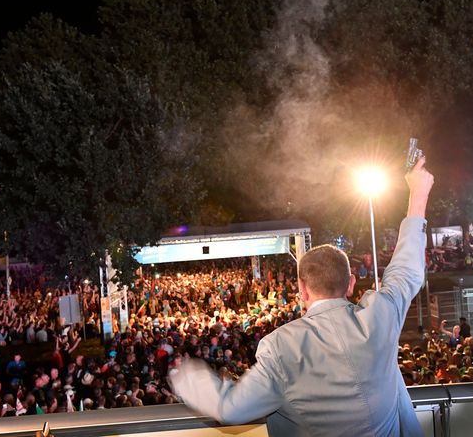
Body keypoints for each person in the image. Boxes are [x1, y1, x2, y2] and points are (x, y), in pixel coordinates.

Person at [171, 156, 434, 437]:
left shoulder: (281, 347)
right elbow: (407, 269)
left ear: (302, 288)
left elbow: (231, 409)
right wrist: (418, 193)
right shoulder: (380, 315)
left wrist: (188, 376)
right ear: (351, 284)